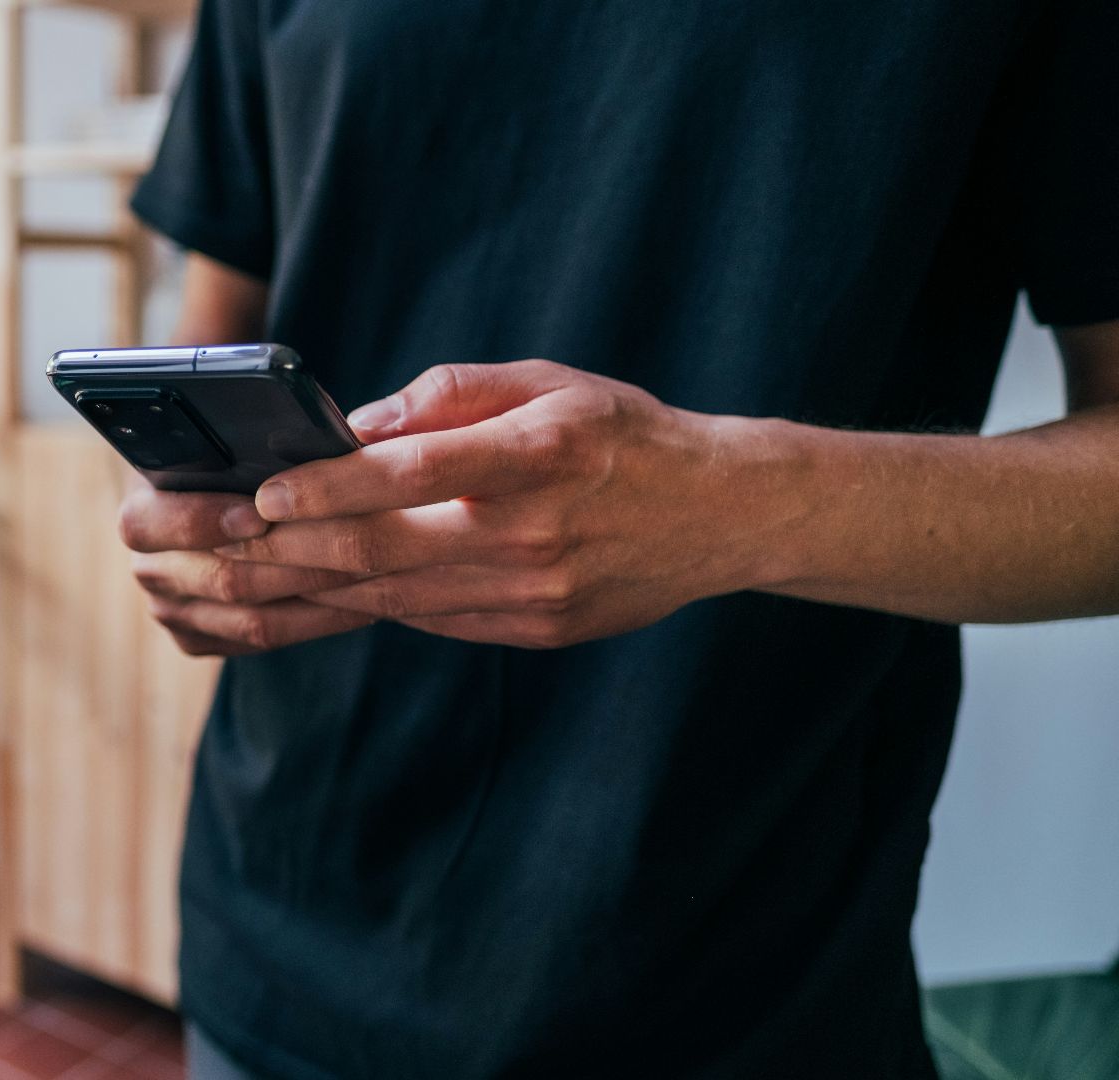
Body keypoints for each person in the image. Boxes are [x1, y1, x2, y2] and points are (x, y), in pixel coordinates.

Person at [114, 2, 1119, 1077]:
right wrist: (193, 525)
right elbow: (214, 330)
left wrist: (731, 503)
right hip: (279, 928)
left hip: (741, 988)